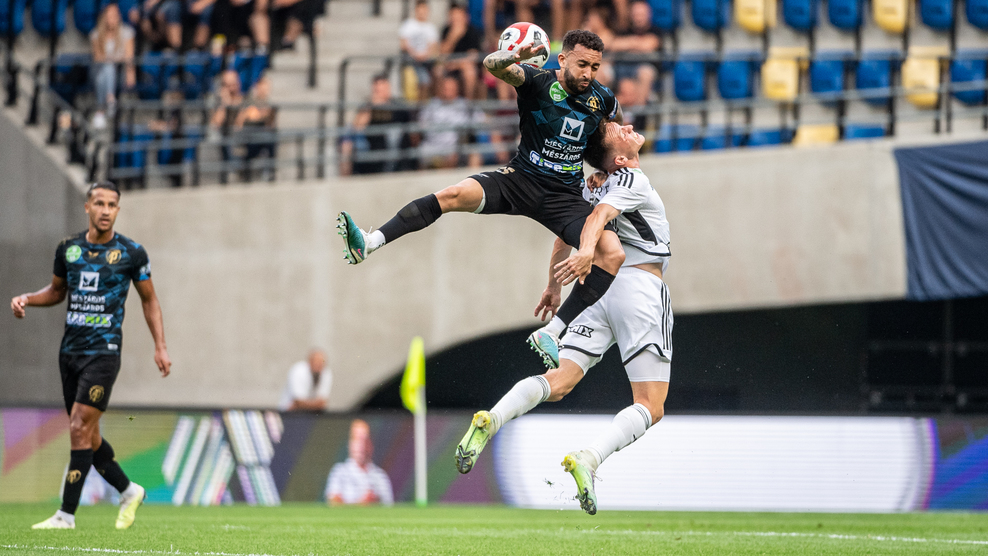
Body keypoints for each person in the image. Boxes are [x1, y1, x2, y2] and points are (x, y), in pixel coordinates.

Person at [337, 30, 625, 369]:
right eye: (582, 64)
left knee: (612, 253)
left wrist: (605, 169)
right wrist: (515, 57)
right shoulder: (536, 80)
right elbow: (492, 65)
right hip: (521, 180)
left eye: (595, 67)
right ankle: (370, 242)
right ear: (561, 59)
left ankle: (552, 332)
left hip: (564, 197)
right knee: (452, 194)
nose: (588, 73)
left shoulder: (603, 99)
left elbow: (614, 134)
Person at [454, 120, 672, 516]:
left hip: (598, 289)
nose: (628, 125)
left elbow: (562, 234)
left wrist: (554, 285)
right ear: (620, 160)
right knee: (650, 405)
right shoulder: (631, 180)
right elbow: (598, 217)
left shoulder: (592, 185)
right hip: (639, 287)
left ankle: (493, 417)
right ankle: (590, 458)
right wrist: (587, 251)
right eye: (620, 130)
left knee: (560, 382)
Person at [11, 181, 172, 530]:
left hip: (104, 353)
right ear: (87, 207)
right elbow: (57, 292)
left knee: (78, 426)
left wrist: (160, 345)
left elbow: (149, 300)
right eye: (99, 203)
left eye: (112, 205)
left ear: (118, 210)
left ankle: (65, 515)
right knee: (89, 435)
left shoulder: (131, 253)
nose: (105, 210)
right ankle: (129, 490)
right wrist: (27, 299)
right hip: (70, 352)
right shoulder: (68, 249)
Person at [340, 74, 416, 176]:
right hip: (370, 144)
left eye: (381, 88)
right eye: (376, 89)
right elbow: (357, 128)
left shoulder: (398, 106)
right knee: (346, 141)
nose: (379, 92)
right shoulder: (368, 106)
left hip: (391, 144)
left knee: (393, 136)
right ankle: (345, 179)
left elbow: (410, 131)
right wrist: (370, 107)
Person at [325, 420, 394, 505]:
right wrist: (363, 503)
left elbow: (388, 506)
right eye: (357, 440)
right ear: (350, 443)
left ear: (371, 444)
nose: (361, 445)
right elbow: (333, 503)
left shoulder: (380, 476)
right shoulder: (339, 471)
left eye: (365, 440)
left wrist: (375, 501)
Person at [90, 3, 136, 129]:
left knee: (106, 71)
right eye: (109, 16)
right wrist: (114, 59)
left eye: (115, 16)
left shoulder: (127, 33)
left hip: (120, 73)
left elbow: (129, 57)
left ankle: (100, 111)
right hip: (98, 70)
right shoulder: (96, 34)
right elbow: (98, 58)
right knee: (106, 69)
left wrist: (131, 75)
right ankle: (110, 99)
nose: (112, 19)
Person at [417, 73, 475, 169]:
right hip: (432, 145)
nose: (448, 91)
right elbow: (420, 125)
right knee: (421, 151)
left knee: (472, 154)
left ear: (457, 89)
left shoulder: (464, 105)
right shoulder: (431, 105)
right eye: (445, 88)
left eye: (451, 88)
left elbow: (481, 120)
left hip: (454, 147)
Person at [234, 74, 277, 181]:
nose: (265, 90)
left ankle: (270, 171)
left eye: (267, 87)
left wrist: (268, 116)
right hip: (249, 136)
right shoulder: (249, 101)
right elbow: (240, 121)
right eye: (263, 87)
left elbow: (270, 125)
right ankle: (245, 172)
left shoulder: (268, 104)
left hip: (263, 137)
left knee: (271, 139)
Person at [438, 3, 484, 100]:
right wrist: (453, 37)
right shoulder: (446, 30)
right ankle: (439, 103)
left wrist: (456, 64)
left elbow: (473, 56)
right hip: (448, 66)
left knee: (469, 72)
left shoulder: (472, 31)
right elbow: (442, 53)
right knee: (437, 70)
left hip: (463, 66)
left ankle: (468, 103)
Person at [399, 0, 440, 101]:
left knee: (436, 75)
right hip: (412, 61)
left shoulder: (431, 27)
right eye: (420, 9)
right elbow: (404, 44)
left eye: (424, 9)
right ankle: (419, 106)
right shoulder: (408, 25)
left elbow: (433, 46)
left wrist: (425, 55)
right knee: (423, 80)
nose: (422, 12)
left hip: (426, 61)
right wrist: (415, 54)